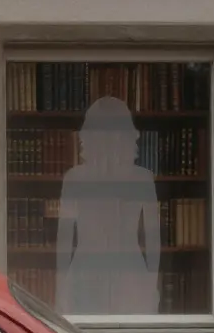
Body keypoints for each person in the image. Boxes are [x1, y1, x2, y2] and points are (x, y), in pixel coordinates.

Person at [54, 96, 160, 315]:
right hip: (98, 272)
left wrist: (151, 284)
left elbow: (153, 239)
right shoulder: (75, 178)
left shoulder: (76, 178)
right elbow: (64, 239)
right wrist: (61, 286)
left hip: (120, 273)